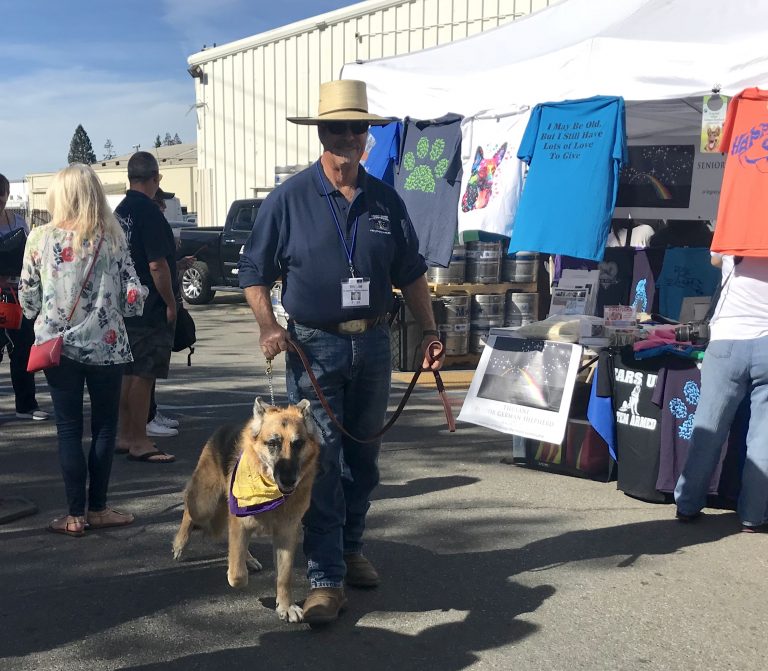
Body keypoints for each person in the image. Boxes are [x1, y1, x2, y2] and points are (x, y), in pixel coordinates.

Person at [238, 79, 443, 624]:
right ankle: (325, 578)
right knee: (319, 467)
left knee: (364, 462)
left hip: (374, 343)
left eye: (358, 128)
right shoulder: (289, 200)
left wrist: (428, 331)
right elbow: (254, 274)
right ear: (321, 134)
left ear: (367, 135)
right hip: (313, 347)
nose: (349, 137)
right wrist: (266, 325)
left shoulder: (384, 199)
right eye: (337, 128)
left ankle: (352, 548)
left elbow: (412, 272)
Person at [18, 164, 146, 536]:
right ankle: (100, 507)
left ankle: (74, 515)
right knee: (105, 428)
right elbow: (132, 296)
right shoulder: (112, 236)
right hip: (106, 346)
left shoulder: (39, 238)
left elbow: (27, 296)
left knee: (69, 430)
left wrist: (40, 309)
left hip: (58, 349)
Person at [674, 253, 768, 532]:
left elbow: (715, 259)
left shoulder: (736, 234)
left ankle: (688, 505)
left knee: (708, 429)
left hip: (727, 340)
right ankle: (753, 515)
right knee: (763, 440)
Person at [114, 152, 177, 463]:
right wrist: (170, 302)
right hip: (148, 303)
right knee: (143, 374)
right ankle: (139, 440)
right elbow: (156, 263)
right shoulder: (149, 212)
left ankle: (126, 434)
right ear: (155, 178)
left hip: (124, 304)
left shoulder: (120, 211)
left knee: (128, 371)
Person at [0, 173, 49, 420]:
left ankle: (26, 404)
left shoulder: (18, 222)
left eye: (2, 197)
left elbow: (32, 257)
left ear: (7, 195)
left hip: (16, 293)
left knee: (22, 350)